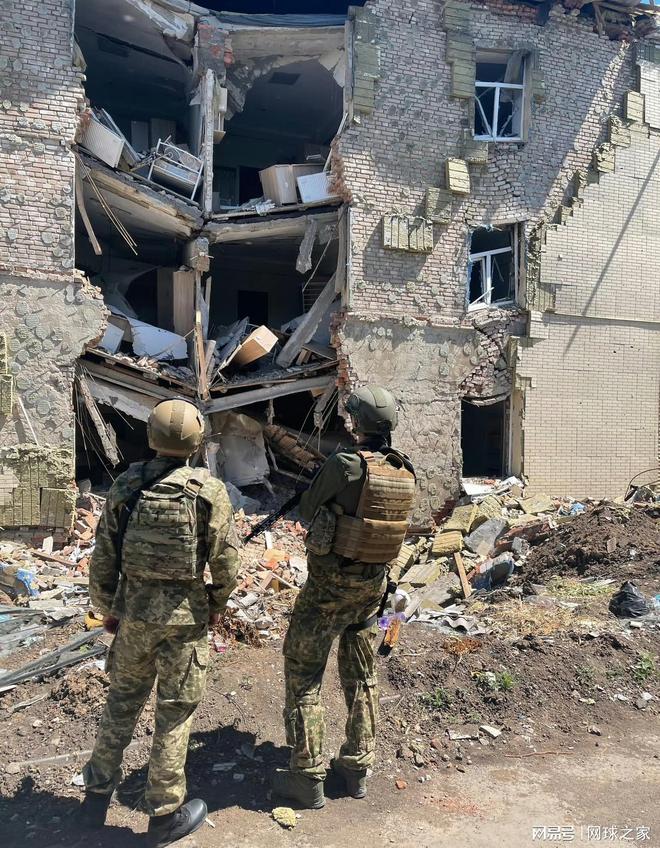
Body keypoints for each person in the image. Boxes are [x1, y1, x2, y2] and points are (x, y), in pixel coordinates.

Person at [79, 398, 240, 848]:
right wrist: (215, 604)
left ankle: (94, 800)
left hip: (132, 616)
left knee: (121, 704)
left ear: (151, 437)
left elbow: (103, 555)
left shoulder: (127, 485)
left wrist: (108, 608)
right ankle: (165, 815)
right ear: (197, 441)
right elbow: (227, 563)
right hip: (184, 624)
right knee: (174, 713)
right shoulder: (208, 491)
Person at [272, 385, 415, 809]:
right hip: (372, 590)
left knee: (304, 674)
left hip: (328, 589)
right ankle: (356, 768)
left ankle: (307, 774)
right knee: (362, 676)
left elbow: (308, 509)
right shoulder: (404, 470)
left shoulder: (346, 464)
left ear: (356, 423)